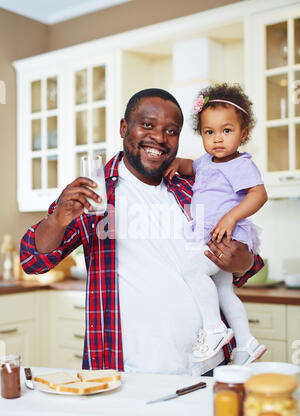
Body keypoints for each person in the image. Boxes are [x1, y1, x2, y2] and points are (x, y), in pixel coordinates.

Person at [20, 88, 264, 376]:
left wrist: (244, 262)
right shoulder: (96, 193)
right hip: (126, 372)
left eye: (171, 131)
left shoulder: (191, 187)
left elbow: (244, 262)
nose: (159, 138)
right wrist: (59, 219)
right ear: (125, 128)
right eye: (147, 125)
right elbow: (33, 260)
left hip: (206, 368)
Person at [164, 83, 268, 366]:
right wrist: (175, 163)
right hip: (210, 235)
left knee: (192, 269)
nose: (217, 139)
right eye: (209, 132)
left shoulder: (241, 165)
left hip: (227, 235)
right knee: (223, 290)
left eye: (227, 130)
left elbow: (259, 194)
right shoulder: (207, 162)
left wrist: (231, 216)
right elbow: (190, 166)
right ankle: (246, 342)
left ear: (243, 133)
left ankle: (214, 329)